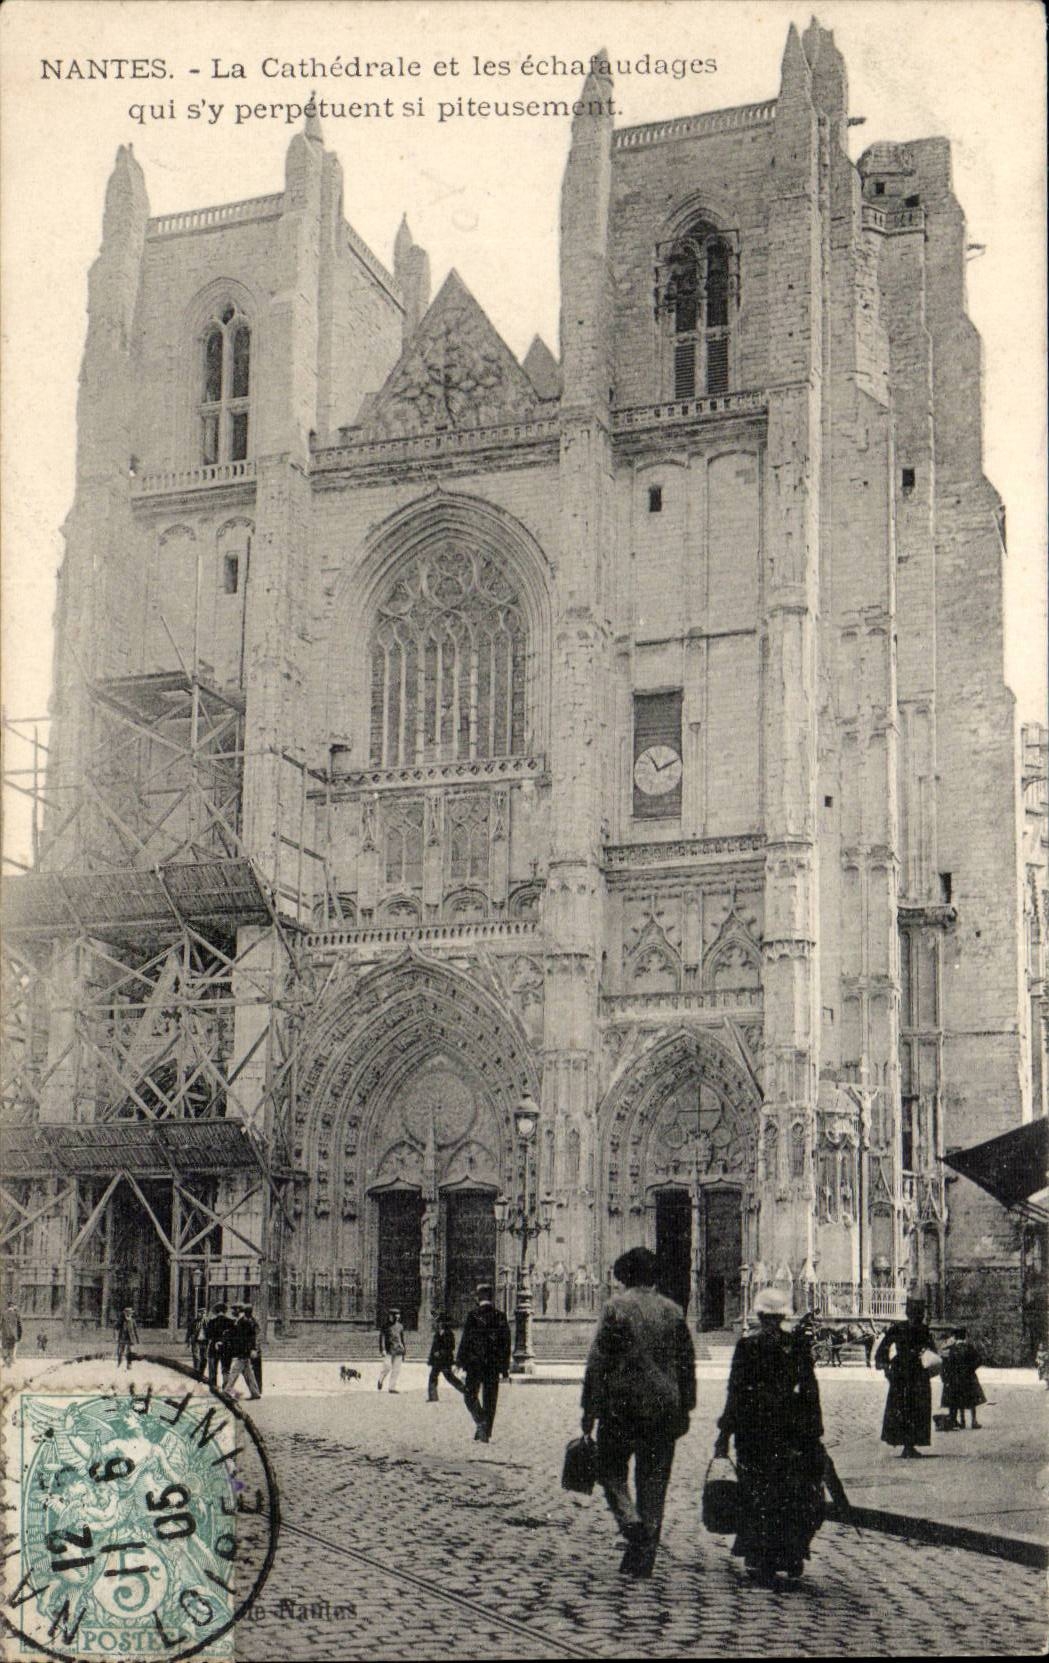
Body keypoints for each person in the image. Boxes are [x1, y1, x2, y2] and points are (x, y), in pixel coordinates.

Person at [581, 1246, 696, 1579]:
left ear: (624, 1275)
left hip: (622, 1406)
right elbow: (687, 1364)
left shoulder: (615, 1309)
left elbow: (598, 1362)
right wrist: (686, 1406)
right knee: (655, 1483)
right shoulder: (673, 1311)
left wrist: (589, 1408)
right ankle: (643, 1559)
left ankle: (629, 1520)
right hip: (664, 1408)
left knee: (610, 1469)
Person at [713, 1287, 825, 1585]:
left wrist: (724, 1432)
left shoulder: (748, 1347)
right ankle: (791, 1553)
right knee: (789, 1490)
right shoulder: (796, 1345)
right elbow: (810, 1390)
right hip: (789, 1427)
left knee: (756, 1490)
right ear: (783, 1316)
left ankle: (760, 1555)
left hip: (754, 1429)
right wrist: (814, 1429)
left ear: (760, 1315)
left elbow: (735, 1391)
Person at [874, 1297, 937, 1458]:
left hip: (901, 1370)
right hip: (916, 1371)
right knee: (916, 1407)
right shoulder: (924, 1329)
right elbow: (932, 1351)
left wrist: (885, 1365)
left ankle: (906, 1445)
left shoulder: (897, 1327)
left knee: (902, 1406)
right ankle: (910, 1445)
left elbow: (883, 1348)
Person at [456, 1284, 511, 1442]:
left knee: (469, 1395)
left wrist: (460, 1361)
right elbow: (506, 1343)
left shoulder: (473, 1315)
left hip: (474, 1364)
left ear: (478, 1297)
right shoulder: (500, 1316)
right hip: (492, 1365)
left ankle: (481, 1422)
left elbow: (466, 1340)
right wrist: (505, 1367)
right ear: (492, 1298)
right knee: (491, 1398)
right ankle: (486, 1431)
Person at [940, 1328, 985, 1429]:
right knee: (972, 1400)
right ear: (965, 1337)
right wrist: (971, 1368)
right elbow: (979, 1360)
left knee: (959, 1398)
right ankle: (974, 1421)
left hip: (956, 1377)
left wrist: (946, 1376)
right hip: (969, 1377)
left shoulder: (951, 1349)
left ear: (955, 1337)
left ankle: (962, 1421)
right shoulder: (969, 1347)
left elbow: (945, 1364)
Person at [224, 1305, 262, 1400]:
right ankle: (255, 1393)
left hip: (243, 1352)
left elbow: (250, 1337)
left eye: (235, 1310)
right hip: (244, 1351)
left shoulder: (244, 1322)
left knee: (234, 1371)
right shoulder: (243, 1321)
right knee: (248, 1373)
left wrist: (252, 1349)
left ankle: (227, 1391)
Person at [427, 1312, 465, 1403]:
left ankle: (466, 1390)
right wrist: (431, 1357)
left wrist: (440, 1352)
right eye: (438, 1322)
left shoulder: (449, 1334)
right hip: (436, 1361)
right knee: (432, 1377)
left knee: (450, 1377)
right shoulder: (437, 1333)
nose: (438, 1324)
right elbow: (434, 1347)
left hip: (445, 1360)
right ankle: (433, 1397)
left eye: (440, 1322)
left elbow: (451, 1347)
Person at [205, 1303, 234, 1391]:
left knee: (212, 1370)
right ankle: (225, 1388)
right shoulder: (230, 1322)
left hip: (213, 1348)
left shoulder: (211, 1322)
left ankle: (213, 1388)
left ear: (216, 1312)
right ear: (225, 1311)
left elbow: (208, 1335)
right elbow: (233, 1336)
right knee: (226, 1370)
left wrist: (216, 1340)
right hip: (226, 1349)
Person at [377, 1308, 407, 1392]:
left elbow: (402, 1339)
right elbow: (382, 1338)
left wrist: (404, 1352)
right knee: (387, 1366)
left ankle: (392, 1387)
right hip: (389, 1350)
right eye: (394, 1316)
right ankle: (381, 1379)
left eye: (398, 1316)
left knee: (396, 1370)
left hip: (399, 1350)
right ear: (390, 1316)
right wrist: (382, 1349)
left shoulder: (400, 1326)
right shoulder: (385, 1326)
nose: (396, 1317)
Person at [186, 1309, 208, 1379]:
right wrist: (188, 1340)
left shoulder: (208, 1322)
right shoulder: (194, 1322)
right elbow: (189, 1331)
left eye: (203, 1313)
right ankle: (196, 1372)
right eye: (200, 1313)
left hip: (205, 1342)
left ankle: (201, 1373)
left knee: (204, 1358)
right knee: (196, 1357)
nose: (201, 1314)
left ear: (205, 1314)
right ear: (198, 1313)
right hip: (196, 1341)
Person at [115, 1306, 138, 1371]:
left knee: (130, 1351)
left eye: (130, 1313)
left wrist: (137, 1339)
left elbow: (135, 1330)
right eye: (127, 1313)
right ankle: (119, 1363)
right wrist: (116, 1337)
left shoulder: (133, 1321)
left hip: (130, 1338)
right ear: (125, 1313)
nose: (129, 1314)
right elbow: (116, 1328)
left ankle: (129, 1364)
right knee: (121, 1351)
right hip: (122, 1338)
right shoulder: (121, 1321)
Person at [2, 1301, 23, 1368]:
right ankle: (12, 1359)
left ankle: (7, 1360)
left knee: (6, 1347)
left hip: (5, 1333)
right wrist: (20, 1334)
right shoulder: (16, 1314)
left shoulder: (3, 1314)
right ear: (13, 1306)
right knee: (13, 1346)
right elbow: (20, 1325)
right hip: (14, 1333)